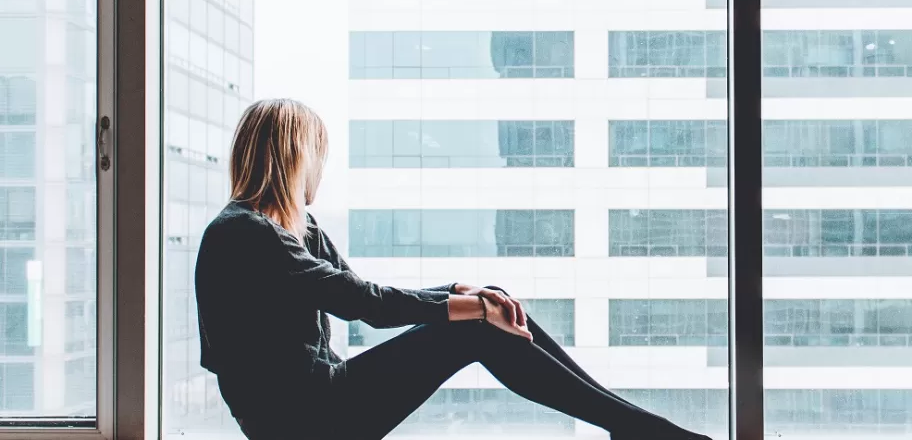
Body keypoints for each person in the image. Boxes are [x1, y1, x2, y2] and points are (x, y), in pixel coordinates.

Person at [194, 98, 715, 440]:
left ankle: (626, 423)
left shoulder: (297, 228)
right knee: (476, 329)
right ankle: (635, 428)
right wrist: (472, 307)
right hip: (301, 423)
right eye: (319, 157)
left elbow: (361, 291)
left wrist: (462, 291)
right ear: (294, 157)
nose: (322, 171)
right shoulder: (243, 234)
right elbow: (365, 307)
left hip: (324, 399)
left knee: (489, 302)